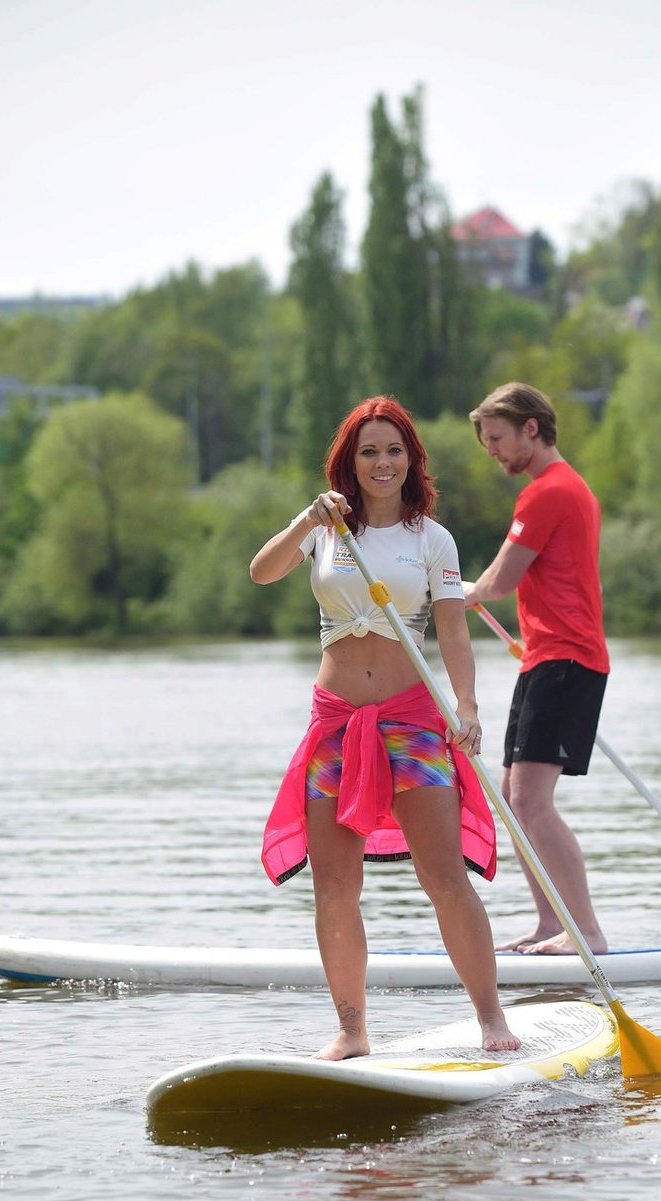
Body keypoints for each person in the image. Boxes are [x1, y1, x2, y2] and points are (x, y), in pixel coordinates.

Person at [250, 396, 520, 1060]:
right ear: (351, 460)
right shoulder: (326, 526)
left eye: (393, 450)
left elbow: (453, 629)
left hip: (412, 719)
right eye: (369, 450)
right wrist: (305, 520)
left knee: (443, 875)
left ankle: (490, 1017)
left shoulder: (432, 537)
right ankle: (352, 1028)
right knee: (335, 886)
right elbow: (263, 571)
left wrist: (468, 705)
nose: (382, 462)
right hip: (335, 722)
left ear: (411, 459)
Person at [463, 382, 609, 957]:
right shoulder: (560, 489)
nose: (492, 452)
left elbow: (497, 583)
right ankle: (552, 923)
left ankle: (587, 933)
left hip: (567, 661)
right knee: (513, 795)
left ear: (531, 428)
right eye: (486, 443)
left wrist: (446, 593)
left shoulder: (549, 493)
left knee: (529, 800)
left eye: (496, 439)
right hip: (547, 658)